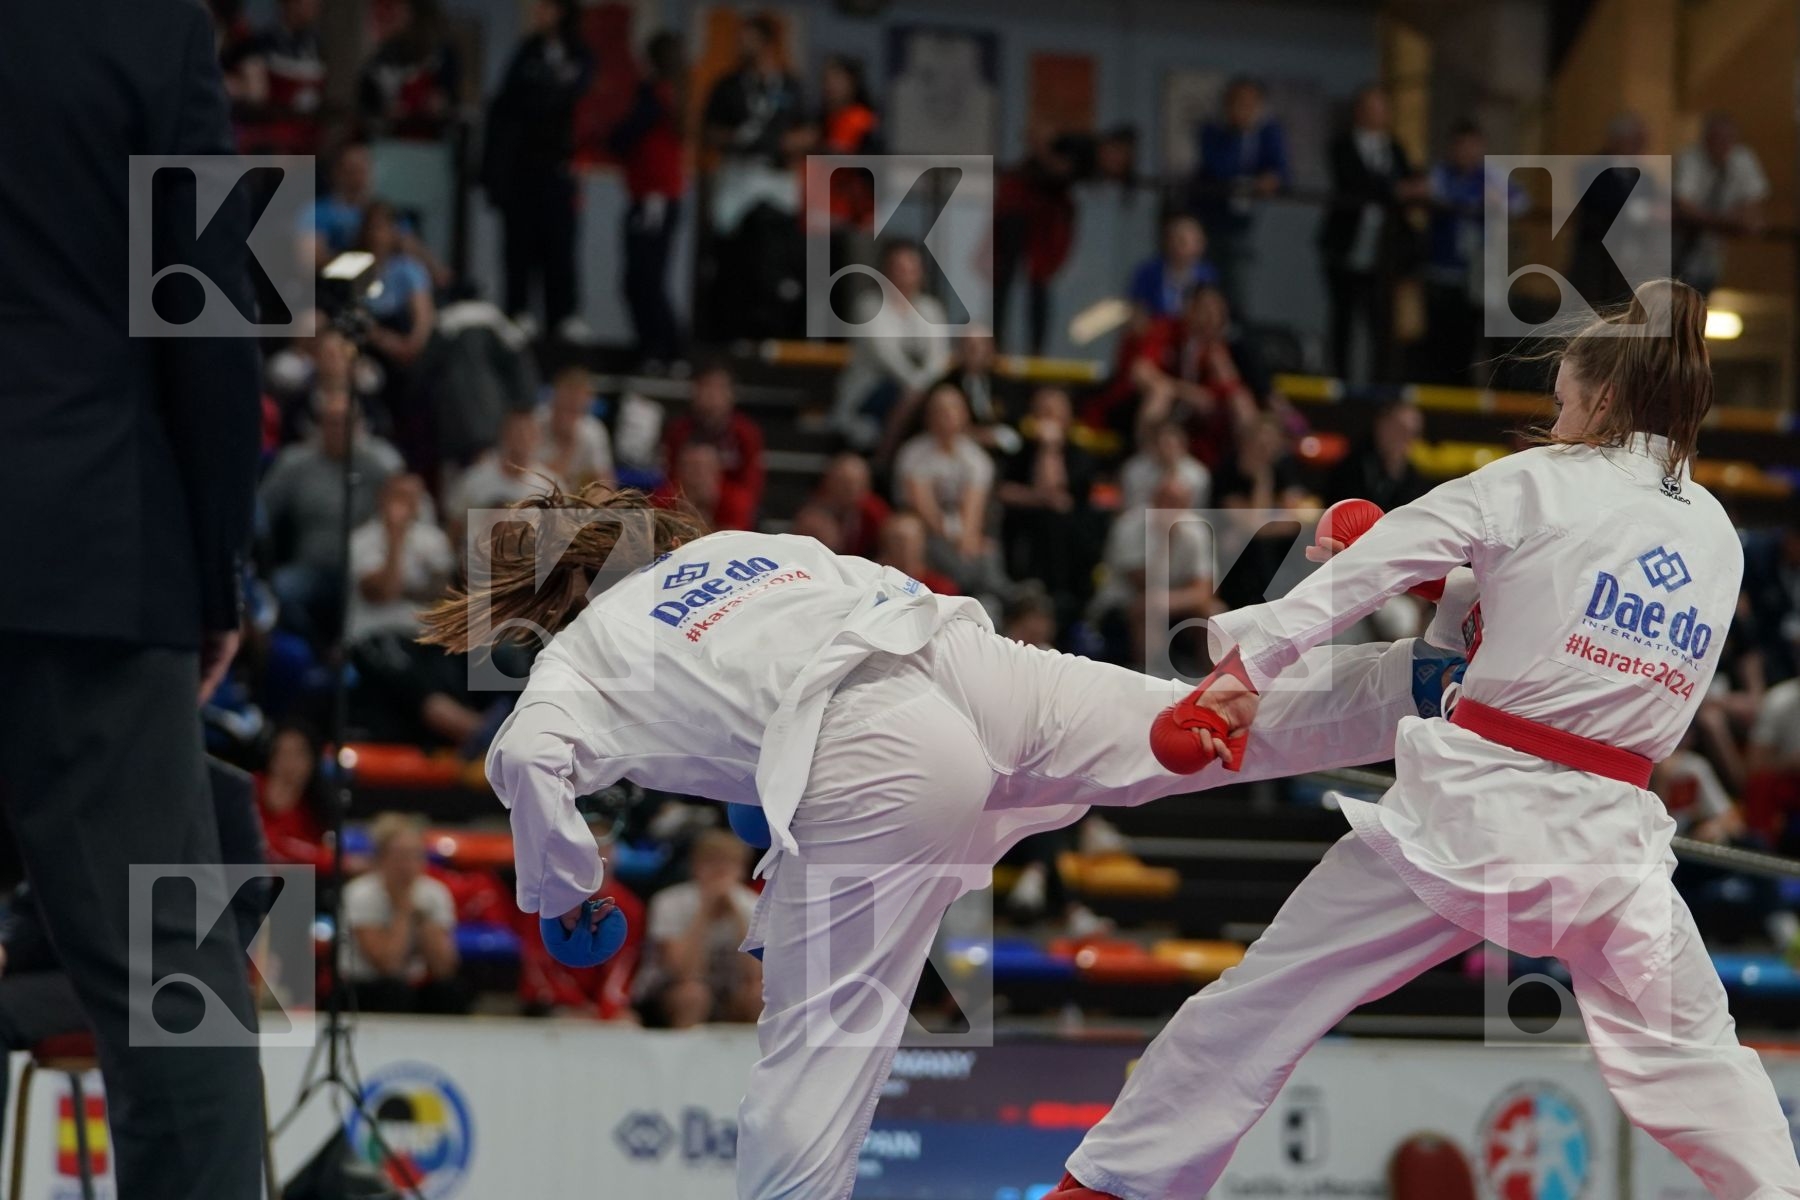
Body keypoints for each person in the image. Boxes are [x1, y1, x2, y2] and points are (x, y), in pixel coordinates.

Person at [417, 478, 1468, 1200]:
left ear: (544, 606)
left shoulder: (576, 661)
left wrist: (567, 895)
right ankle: (1412, 682)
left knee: (817, 1058)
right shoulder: (742, 550)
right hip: (962, 659)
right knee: (1178, 725)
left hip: (872, 751)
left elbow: (524, 764)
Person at [1059, 280, 1800, 1200]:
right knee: (1703, 1067)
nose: (1557, 419)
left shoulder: (1534, 481)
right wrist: (1452, 593)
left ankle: (1106, 1190)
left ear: (1602, 398)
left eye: (1564, 401)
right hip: (1611, 851)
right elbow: (1559, 640)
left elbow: (1373, 577)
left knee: (1263, 1005)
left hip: (1475, 817)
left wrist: (1246, 670)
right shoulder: (1720, 535)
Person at [0, 8, 274, 1187]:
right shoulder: (148, 25)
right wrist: (220, 564)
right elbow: (211, 309)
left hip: (93, 551)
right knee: (175, 986)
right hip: (91, 549)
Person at [484, 0, 595, 343]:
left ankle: (563, 316)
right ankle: (517, 311)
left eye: (546, 7)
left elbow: (574, 96)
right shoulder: (526, 52)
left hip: (559, 167)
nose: (538, 13)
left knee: (559, 244)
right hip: (522, 168)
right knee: (519, 244)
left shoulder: (579, 54)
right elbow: (509, 104)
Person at [1319, 85, 1425, 384]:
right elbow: (1355, 183)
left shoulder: (1393, 147)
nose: (1378, 114)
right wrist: (1393, 190)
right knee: (1344, 316)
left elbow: (1408, 180)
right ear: (1359, 111)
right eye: (1372, 108)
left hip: (1385, 246)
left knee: (1380, 319)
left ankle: (1381, 383)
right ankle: (1340, 378)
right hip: (1347, 242)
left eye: (1382, 108)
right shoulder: (1341, 146)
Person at [632, 830, 763, 1027]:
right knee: (693, 994)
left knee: (759, 995)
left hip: (729, 995)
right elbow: (682, 970)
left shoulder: (752, 904)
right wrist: (705, 910)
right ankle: (683, 1056)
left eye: (729, 864)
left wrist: (736, 914)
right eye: (712, 863)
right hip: (668, 995)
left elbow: (756, 975)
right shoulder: (669, 902)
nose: (720, 871)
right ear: (695, 866)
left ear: (742, 870)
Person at [832, 240, 953, 452]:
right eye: (899, 268)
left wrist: (921, 387)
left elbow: (938, 358)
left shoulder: (931, 309)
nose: (906, 274)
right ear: (885, 271)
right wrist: (917, 387)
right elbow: (886, 356)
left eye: (912, 268)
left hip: (919, 392)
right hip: (872, 393)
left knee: (945, 402)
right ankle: (885, 456)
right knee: (908, 397)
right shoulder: (869, 306)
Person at [342, 813, 470, 1014]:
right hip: (365, 985)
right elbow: (388, 965)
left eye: (415, 855)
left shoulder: (434, 893)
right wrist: (403, 911)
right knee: (394, 991)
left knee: (450, 990)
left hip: (411, 984)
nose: (408, 865)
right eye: (400, 856)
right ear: (381, 859)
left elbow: (444, 968)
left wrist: (424, 921)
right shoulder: (360, 894)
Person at [610, 31, 686, 365]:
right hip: (649, 197)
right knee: (640, 278)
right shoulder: (665, 96)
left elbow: (623, 136)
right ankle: (655, 348)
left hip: (655, 199)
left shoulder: (658, 97)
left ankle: (665, 349)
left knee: (645, 278)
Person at [892, 385, 1007, 597]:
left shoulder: (976, 458)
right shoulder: (913, 453)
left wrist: (968, 538)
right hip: (926, 529)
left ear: (964, 415)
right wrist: (953, 538)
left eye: (952, 409)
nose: (946, 416)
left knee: (986, 549)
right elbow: (923, 506)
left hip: (959, 528)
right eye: (939, 410)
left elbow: (974, 508)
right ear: (928, 417)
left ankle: (997, 598)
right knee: (918, 537)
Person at [1191, 76, 1289, 317]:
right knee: (1206, 286)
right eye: (1238, 102)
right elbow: (1219, 169)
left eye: (1250, 103)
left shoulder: (1269, 132)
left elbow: (1282, 171)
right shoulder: (1212, 131)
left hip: (1246, 223)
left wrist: (1271, 179)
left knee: (1238, 292)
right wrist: (1239, 134)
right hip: (1210, 220)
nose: (1244, 109)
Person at [1674, 113, 1769, 298]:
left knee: (1702, 294)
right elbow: (1685, 206)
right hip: (1682, 247)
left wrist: (1736, 219)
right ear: (1706, 139)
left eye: (1727, 140)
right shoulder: (1689, 159)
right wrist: (1726, 221)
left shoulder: (1743, 159)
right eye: (1717, 139)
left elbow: (1753, 204)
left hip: (1713, 252)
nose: (1722, 145)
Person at [663, 363, 767, 524]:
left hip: (727, 502)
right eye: (706, 387)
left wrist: (719, 496)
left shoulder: (746, 433)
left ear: (731, 394)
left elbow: (752, 480)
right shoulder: (678, 431)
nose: (712, 396)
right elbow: (669, 474)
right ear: (694, 391)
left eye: (719, 388)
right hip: (684, 498)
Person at [1125, 214, 1217, 324]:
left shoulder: (1207, 276)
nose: (1180, 247)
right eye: (1177, 240)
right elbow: (1136, 310)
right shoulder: (1147, 273)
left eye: (1186, 242)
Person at [537, 364, 617, 490]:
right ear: (554, 398)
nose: (569, 417)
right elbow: (538, 486)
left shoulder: (593, 431)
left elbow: (606, 484)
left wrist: (593, 505)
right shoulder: (534, 424)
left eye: (576, 410)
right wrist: (568, 447)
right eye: (566, 407)